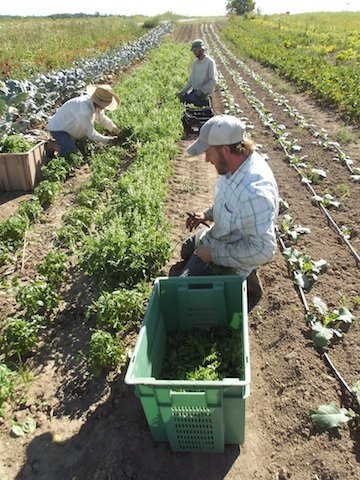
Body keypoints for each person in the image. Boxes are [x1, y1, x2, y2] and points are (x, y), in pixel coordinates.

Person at [170, 115, 279, 310]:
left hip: (231, 249)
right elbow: (228, 202)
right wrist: (207, 214)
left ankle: (246, 280)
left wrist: (214, 254)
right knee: (187, 249)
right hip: (221, 236)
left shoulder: (254, 192)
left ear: (225, 150)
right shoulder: (233, 165)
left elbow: (263, 250)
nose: (206, 159)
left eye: (208, 153)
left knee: (183, 294)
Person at [46, 84, 120, 158]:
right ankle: (54, 146)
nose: (104, 107)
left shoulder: (95, 105)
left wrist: (114, 129)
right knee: (72, 154)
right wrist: (109, 140)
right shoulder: (84, 108)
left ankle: (64, 143)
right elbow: (91, 134)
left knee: (84, 147)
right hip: (59, 130)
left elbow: (102, 119)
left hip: (71, 130)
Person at [178, 39, 217, 107]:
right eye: (193, 51)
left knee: (190, 102)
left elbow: (213, 80)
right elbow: (191, 81)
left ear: (201, 50)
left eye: (195, 50)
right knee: (183, 99)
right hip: (195, 92)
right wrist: (182, 92)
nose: (194, 52)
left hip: (204, 93)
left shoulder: (210, 62)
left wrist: (202, 90)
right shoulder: (195, 63)